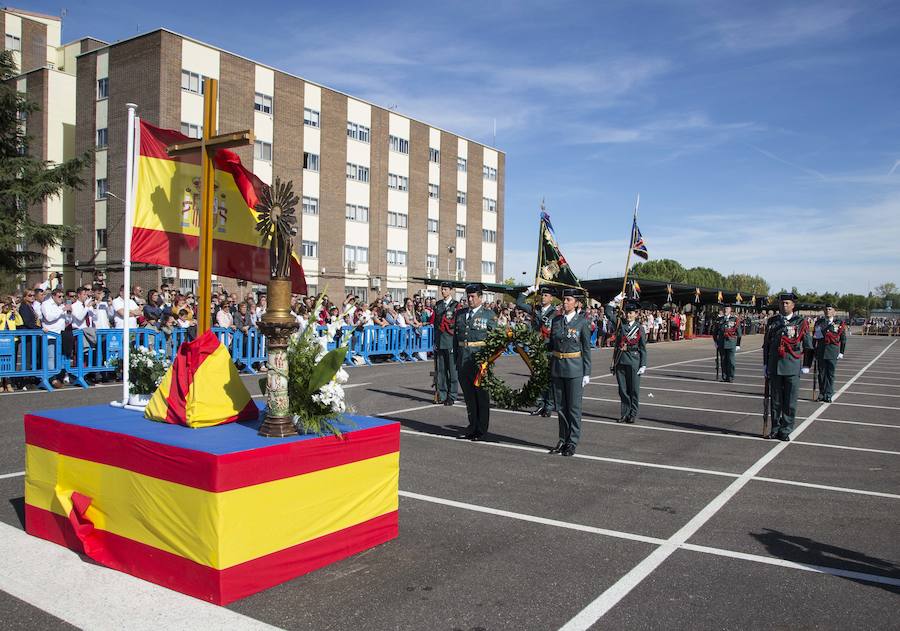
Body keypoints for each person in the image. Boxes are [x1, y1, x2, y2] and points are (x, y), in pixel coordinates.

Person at [762, 292, 813, 441]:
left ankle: (786, 429)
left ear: (793, 305)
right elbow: (767, 345)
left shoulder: (800, 322)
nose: (784, 305)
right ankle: (775, 428)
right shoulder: (772, 321)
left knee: (790, 401)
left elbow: (808, 345)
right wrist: (765, 364)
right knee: (776, 401)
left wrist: (806, 365)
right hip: (775, 366)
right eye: (782, 303)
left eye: (787, 303)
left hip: (792, 366)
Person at [547, 288, 592, 456]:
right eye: (564, 300)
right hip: (558, 367)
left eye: (568, 300)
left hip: (575, 368)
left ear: (577, 303)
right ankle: (562, 439)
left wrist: (586, 372)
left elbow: (586, 349)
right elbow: (552, 344)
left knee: (573, 408)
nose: (564, 303)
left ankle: (572, 442)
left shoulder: (582, 322)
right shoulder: (556, 321)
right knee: (561, 407)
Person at [455, 283, 497, 440]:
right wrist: (456, 360)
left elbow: (496, 339)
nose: (470, 299)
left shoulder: (489, 315)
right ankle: (472, 426)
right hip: (463, 360)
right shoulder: (460, 314)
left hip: (480, 362)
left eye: (473, 296)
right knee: (469, 397)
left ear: (480, 297)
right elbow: (455, 339)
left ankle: (481, 429)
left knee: (481, 397)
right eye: (468, 296)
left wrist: (488, 359)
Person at [516, 285, 559, 417]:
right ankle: (540, 404)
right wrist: (528, 291)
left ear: (551, 298)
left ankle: (549, 405)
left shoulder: (556, 313)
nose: (543, 297)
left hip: (549, 349)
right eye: (542, 295)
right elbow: (519, 303)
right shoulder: (535, 309)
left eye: (546, 295)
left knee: (549, 379)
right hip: (537, 348)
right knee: (538, 378)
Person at [605, 295, 647, 424]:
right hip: (621, 360)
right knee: (622, 389)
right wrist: (615, 300)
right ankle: (624, 413)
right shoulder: (620, 324)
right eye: (627, 312)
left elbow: (642, 348)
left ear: (636, 314)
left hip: (634, 360)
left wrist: (643, 364)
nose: (629, 315)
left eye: (631, 313)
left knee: (633, 390)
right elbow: (608, 312)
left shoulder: (639, 328)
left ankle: (632, 413)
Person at [432, 281, 460, 406]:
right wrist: (435, 341)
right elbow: (435, 325)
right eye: (442, 289)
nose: (442, 291)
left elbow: (457, 325)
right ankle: (442, 394)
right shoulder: (438, 305)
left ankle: (452, 395)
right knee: (441, 370)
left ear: (451, 290)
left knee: (452, 371)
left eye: (445, 289)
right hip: (440, 341)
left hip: (451, 341)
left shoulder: (456, 306)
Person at [813, 303, 847, 403]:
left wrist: (841, 352)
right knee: (822, 374)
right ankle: (821, 393)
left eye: (830, 309)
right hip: (821, 352)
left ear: (834, 311)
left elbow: (843, 338)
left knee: (830, 374)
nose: (828, 311)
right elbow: (815, 338)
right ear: (824, 311)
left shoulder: (839, 323)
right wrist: (814, 351)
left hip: (832, 352)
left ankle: (828, 394)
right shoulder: (819, 323)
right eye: (826, 309)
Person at [714, 303, 742, 382]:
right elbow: (715, 332)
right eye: (724, 308)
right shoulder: (719, 319)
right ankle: (725, 376)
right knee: (723, 361)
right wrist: (715, 342)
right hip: (722, 343)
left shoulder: (735, 319)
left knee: (731, 361)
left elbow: (739, 333)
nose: (725, 310)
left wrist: (738, 344)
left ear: (730, 310)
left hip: (731, 343)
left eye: (727, 309)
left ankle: (731, 376)